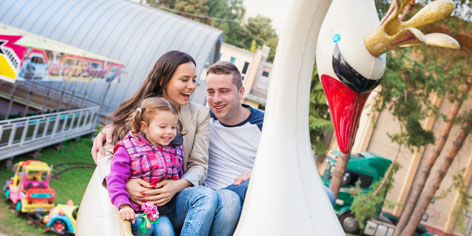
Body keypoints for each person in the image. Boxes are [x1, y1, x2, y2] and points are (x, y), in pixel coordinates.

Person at [77, 51, 216, 236]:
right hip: (135, 204)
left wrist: (176, 186)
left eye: (194, 80)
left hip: (173, 198)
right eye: (184, 80)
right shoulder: (138, 113)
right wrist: (125, 184)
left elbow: (199, 165)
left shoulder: (200, 115)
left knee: (208, 197)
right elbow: (108, 156)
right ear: (163, 80)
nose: (192, 86)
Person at [203, 61, 336, 235]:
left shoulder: (267, 124)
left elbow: (290, 165)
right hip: (223, 194)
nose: (216, 99)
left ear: (241, 92)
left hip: (256, 192)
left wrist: (260, 171)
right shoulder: (203, 120)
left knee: (326, 195)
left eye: (224, 91)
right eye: (210, 92)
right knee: (255, 185)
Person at [107, 97, 183, 236]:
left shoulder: (175, 150)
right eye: (162, 127)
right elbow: (116, 178)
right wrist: (123, 205)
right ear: (145, 126)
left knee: (167, 232)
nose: (169, 132)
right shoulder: (129, 148)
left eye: (173, 127)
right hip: (134, 210)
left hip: (159, 212)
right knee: (145, 230)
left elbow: (179, 175)